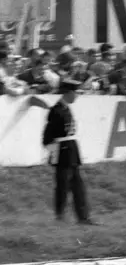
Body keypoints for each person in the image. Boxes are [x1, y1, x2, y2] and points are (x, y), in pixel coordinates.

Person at [41, 78, 96, 224]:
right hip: (62, 152)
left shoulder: (65, 108)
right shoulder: (57, 110)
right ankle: (60, 216)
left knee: (78, 186)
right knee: (63, 186)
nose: (77, 96)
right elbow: (47, 136)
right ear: (68, 92)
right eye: (75, 92)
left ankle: (83, 217)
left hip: (71, 150)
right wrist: (54, 154)